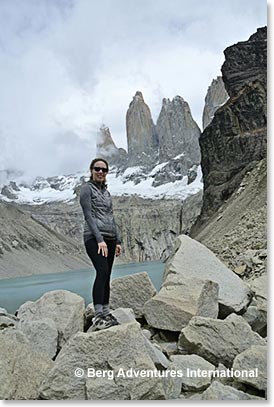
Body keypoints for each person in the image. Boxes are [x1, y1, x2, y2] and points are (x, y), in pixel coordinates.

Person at [80, 158, 122, 331]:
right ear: (91, 170)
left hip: (110, 238)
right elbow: (88, 216)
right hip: (94, 237)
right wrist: (99, 240)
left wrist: (117, 240)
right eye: (97, 169)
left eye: (104, 170)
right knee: (102, 271)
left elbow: (111, 217)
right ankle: (98, 316)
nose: (100, 172)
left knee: (107, 275)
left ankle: (106, 312)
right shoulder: (86, 189)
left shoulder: (106, 192)